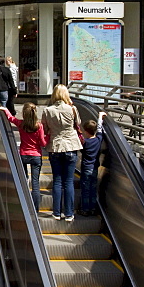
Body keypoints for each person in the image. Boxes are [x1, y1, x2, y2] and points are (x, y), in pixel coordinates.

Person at [41, 84, 83, 222]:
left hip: (55, 146)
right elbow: (78, 124)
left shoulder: (48, 110)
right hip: (71, 146)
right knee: (69, 181)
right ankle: (69, 214)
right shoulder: (72, 109)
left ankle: (57, 212)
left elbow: (45, 129)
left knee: (57, 180)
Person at [0, 102, 48, 212]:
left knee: (24, 179)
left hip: (23, 155)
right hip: (36, 156)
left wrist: (5, 109)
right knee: (35, 183)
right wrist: (48, 137)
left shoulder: (21, 124)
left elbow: (11, 118)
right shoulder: (39, 126)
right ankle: (35, 208)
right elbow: (43, 143)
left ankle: (23, 203)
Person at [79, 112, 105, 216]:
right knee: (93, 189)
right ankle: (93, 208)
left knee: (85, 189)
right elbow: (99, 129)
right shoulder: (98, 139)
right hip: (95, 167)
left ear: (85, 131)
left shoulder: (85, 142)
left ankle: (85, 209)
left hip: (86, 167)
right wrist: (100, 118)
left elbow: (81, 148)